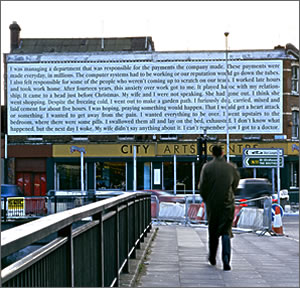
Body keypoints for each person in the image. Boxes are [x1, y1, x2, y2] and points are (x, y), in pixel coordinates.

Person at [198, 145, 240, 271]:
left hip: (213, 204)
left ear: (212, 154)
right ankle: (226, 259)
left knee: (213, 231)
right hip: (227, 204)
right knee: (226, 231)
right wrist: (229, 194)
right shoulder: (231, 167)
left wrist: (206, 199)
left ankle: (212, 257)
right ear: (222, 153)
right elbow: (235, 184)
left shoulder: (207, 167)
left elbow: (202, 186)